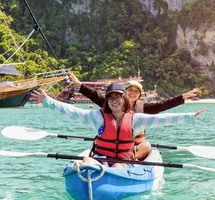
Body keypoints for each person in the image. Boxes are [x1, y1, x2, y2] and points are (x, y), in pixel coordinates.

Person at [30, 84, 205, 168]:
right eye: (111, 98)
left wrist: (189, 116)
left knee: (119, 166)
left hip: (122, 162)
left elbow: (163, 119)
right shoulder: (96, 117)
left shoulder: (137, 119)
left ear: (125, 100)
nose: (114, 101)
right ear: (107, 101)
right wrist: (48, 102)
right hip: (101, 158)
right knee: (87, 162)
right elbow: (72, 111)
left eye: (118, 97)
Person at [68, 72, 199, 160]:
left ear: (139, 95)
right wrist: (80, 85)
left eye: (136, 91)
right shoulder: (111, 103)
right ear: (124, 93)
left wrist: (181, 98)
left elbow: (162, 105)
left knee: (146, 146)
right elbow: (94, 95)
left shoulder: (143, 108)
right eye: (130, 90)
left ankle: (130, 161)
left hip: (133, 148)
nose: (132, 93)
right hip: (111, 147)